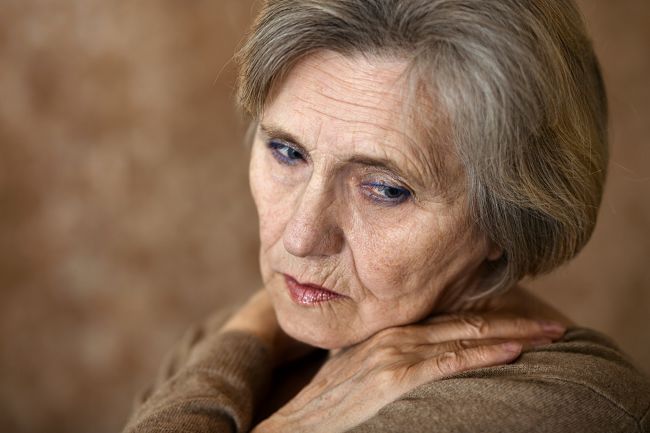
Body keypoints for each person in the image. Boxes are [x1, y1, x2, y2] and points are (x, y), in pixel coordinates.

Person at [123, 1, 650, 432]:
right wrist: (242, 339)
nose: (303, 238)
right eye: (287, 153)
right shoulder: (239, 338)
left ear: (506, 214)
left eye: (385, 188)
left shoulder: (562, 404)